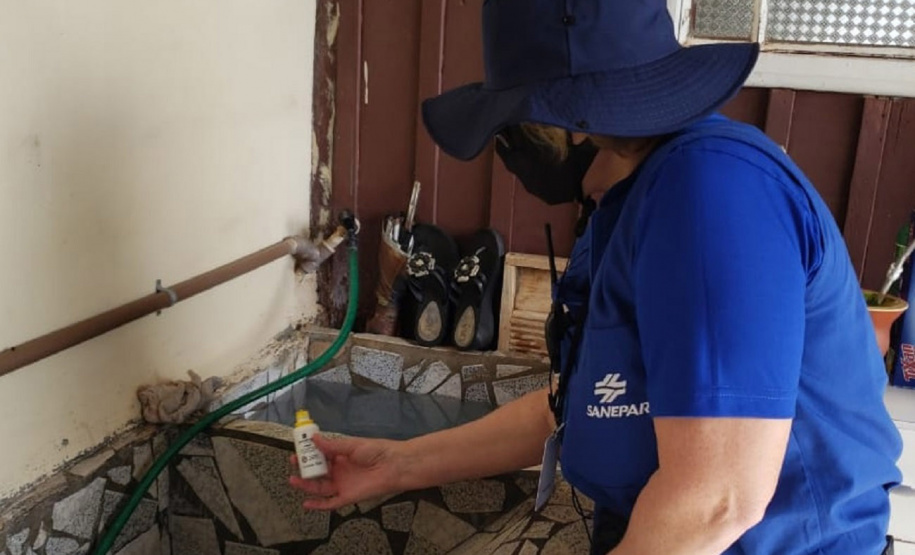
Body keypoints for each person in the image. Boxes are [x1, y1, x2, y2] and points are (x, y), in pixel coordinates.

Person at [290, 1, 903, 553]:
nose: (509, 149)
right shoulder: (631, 203)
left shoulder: (710, 192)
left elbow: (717, 501)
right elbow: (574, 408)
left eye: (514, 121)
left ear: (572, 119)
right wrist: (396, 465)